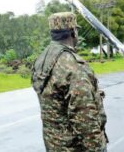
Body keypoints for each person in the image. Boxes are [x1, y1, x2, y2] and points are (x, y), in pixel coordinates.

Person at [31, 12, 107, 151]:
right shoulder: (73, 66)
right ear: (73, 33)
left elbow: (55, 97)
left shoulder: (42, 60)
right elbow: (85, 119)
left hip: (54, 145)